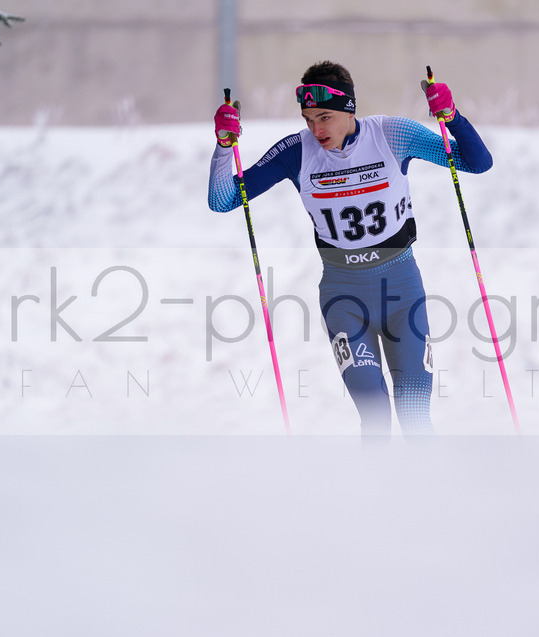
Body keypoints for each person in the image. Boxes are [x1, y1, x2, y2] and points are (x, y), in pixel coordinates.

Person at [208, 61, 492, 437]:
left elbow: (477, 162)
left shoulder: (392, 134)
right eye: (309, 119)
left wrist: (451, 117)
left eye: (324, 117)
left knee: (414, 415)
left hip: (403, 292)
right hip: (344, 298)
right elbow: (223, 199)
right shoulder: (297, 152)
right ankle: (371, 494)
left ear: (349, 108)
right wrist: (224, 146)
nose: (316, 129)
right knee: (374, 416)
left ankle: (429, 491)